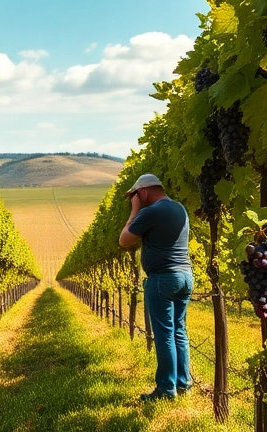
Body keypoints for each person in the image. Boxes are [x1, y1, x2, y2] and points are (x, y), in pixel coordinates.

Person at [119, 172, 192, 401]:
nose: (134, 199)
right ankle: (183, 382)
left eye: (134, 195)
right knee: (179, 330)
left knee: (164, 334)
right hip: (186, 276)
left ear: (143, 191)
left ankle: (166, 389)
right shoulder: (180, 208)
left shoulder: (150, 212)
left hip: (162, 279)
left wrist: (134, 211)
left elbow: (124, 240)